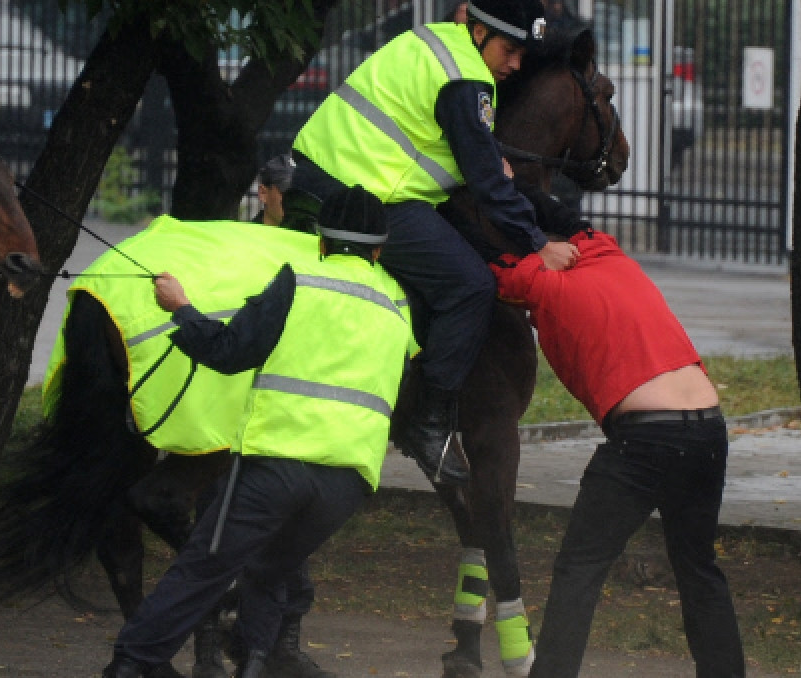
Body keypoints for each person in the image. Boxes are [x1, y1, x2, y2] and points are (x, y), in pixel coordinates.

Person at [102, 185, 414, 678]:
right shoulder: (397, 307)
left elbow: (229, 351)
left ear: (321, 241)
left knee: (205, 568)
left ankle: (132, 664)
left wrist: (180, 308)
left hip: (274, 468)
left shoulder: (299, 281)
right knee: (273, 570)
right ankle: (255, 663)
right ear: (379, 250)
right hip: (347, 484)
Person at [289, 0, 578, 487]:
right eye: (509, 50)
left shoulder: (433, 44)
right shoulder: (468, 79)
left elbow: (428, 135)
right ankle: (428, 424)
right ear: (481, 32)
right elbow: (487, 185)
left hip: (332, 174)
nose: (516, 64)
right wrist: (536, 244)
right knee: (470, 286)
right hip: (363, 196)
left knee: (464, 248)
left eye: (524, 54)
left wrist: (485, 154)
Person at [488, 218, 746, 678]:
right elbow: (589, 234)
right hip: (708, 427)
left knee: (580, 568)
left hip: (646, 436)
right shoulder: (610, 257)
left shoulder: (541, 284)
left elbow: (494, 275)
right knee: (698, 571)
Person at [254, 154, 296, 226]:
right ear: (263, 193)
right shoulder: (245, 235)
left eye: (297, 195)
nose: (294, 201)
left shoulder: (312, 235)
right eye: (286, 193)